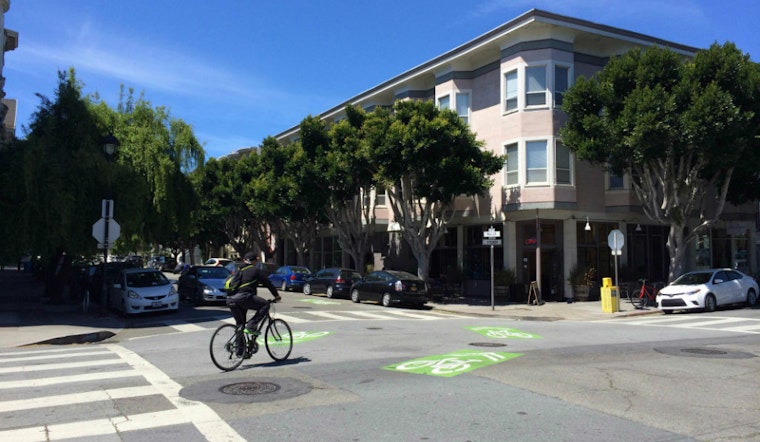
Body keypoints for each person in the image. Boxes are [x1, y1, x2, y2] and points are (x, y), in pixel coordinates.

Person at [225, 252, 281, 341]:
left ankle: (239, 351)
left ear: (244, 260)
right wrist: (277, 296)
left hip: (230, 299)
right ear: (255, 261)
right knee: (265, 305)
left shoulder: (238, 270)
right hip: (244, 297)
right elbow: (268, 284)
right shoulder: (256, 270)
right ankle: (251, 326)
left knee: (240, 325)